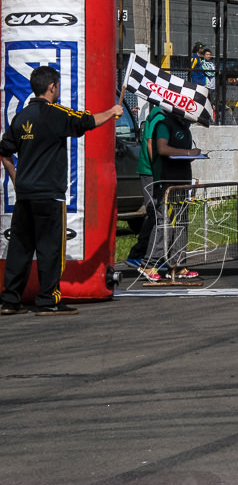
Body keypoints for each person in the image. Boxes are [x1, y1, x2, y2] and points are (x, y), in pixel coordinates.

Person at [0, 65, 123, 315]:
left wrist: (17, 179)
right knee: (50, 249)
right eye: (57, 86)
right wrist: (113, 111)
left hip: (25, 195)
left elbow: (4, 152)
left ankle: (10, 301)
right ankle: (48, 301)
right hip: (49, 195)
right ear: (52, 87)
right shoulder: (56, 113)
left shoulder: (21, 117)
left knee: (20, 249)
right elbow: (88, 121)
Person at [150, 111, 202, 281]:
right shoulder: (164, 124)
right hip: (167, 182)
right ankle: (150, 264)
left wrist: (192, 155)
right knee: (165, 223)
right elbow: (162, 148)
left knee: (181, 223)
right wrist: (188, 153)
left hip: (182, 181)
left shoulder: (185, 127)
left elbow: (182, 153)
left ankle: (177, 264)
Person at [125, 106, 167, 281]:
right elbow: (151, 142)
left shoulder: (160, 115)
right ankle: (140, 255)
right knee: (155, 214)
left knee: (155, 214)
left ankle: (145, 254)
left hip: (151, 171)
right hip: (150, 172)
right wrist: (157, 169)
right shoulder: (158, 116)